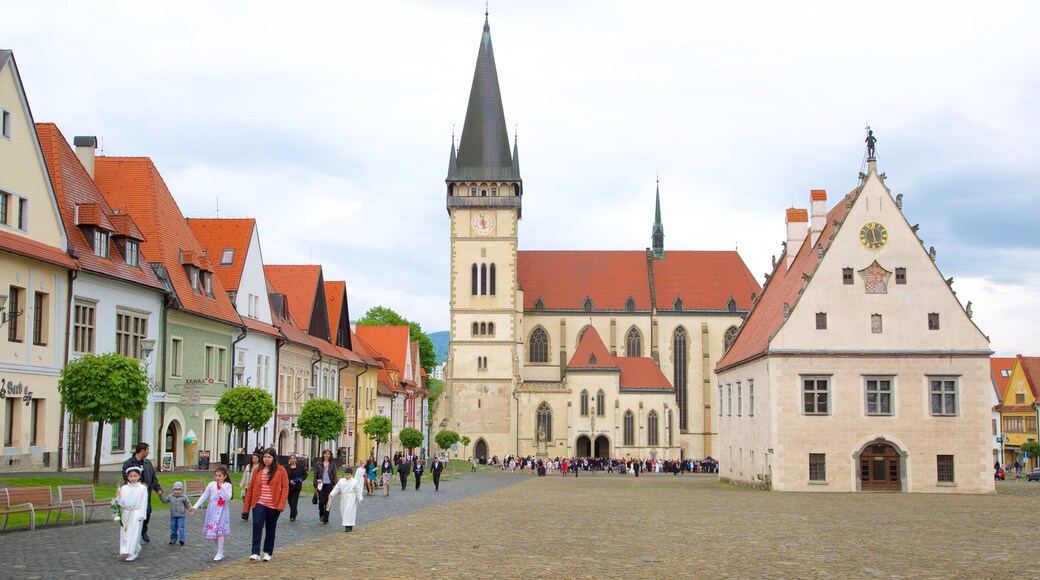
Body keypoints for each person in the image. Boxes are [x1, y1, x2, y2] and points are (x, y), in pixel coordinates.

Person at [242, 447, 288, 562]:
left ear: (274, 458)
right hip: (259, 502)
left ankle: (267, 552)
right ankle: (255, 552)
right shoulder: (257, 470)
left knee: (270, 528)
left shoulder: (280, 470)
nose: (266, 459)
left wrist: (281, 504)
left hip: (273, 504)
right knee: (257, 525)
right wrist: (246, 507)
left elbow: (285, 488)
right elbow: (251, 488)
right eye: (265, 457)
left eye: (269, 457)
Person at [121, 442, 163, 543]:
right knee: (134, 514)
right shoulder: (129, 463)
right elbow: (126, 477)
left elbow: (153, 477)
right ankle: (132, 532)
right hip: (133, 494)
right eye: (147, 450)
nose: (149, 452)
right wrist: (139, 484)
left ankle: (143, 530)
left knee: (147, 511)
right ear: (142, 451)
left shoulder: (147, 463)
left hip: (146, 493)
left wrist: (158, 489)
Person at [191, 467, 232, 561]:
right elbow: (204, 496)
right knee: (213, 530)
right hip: (212, 509)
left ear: (225, 476)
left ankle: (220, 551)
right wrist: (195, 506)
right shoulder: (211, 485)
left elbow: (227, 497)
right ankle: (219, 550)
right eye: (216, 475)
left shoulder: (228, 485)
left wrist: (222, 487)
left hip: (222, 509)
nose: (217, 478)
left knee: (220, 531)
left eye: (220, 476)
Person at [116, 466, 148, 561]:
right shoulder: (124, 488)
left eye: (135, 475)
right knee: (126, 532)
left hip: (136, 513)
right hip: (127, 513)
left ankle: (133, 552)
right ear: (127, 477)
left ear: (139, 476)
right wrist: (118, 498)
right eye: (131, 476)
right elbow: (121, 502)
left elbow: (144, 502)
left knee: (134, 533)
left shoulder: (142, 488)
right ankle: (126, 548)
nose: (133, 478)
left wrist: (141, 514)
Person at [328, 466, 363, 532]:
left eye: (348, 474)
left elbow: (358, 490)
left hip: (351, 497)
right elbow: (336, 488)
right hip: (344, 497)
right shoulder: (341, 481)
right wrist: (331, 494)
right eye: (346, 474)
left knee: (349, 511)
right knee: (344, 511)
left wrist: (360, 498)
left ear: (351, 475)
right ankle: (347, 524)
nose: (347, 476)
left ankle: (349, 526)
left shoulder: (354, 482)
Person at [160, 481, 192, 545]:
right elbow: (165, 501)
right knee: (173, 528)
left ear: (181, 490)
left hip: (181, 515)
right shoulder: (171, 496)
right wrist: (161, 496)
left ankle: (182, 539)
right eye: (176, 489)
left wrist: (190, 509)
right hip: (173, 515)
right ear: (173, 489)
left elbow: (188, 504)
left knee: (181, 527)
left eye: (179, 489)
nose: (177, 491)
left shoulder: (184, 497)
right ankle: (173, 539)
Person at [313, 449, 338, 524]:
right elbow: (315, 474)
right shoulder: (318, 464)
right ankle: (321, 513)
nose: (327, 455)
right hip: (321, 484)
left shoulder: (332, 464)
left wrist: (335, 485)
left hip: (329, 484)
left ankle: (326, 518)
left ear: (330, 455)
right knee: (321, 501)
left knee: (328, 501)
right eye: (326, 453)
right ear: (323, 454)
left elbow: (334, 475)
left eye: (328, 454)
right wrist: (315, 484)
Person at [284, 454, 306, 522]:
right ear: (289, 459)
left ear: (296, 459)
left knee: (294, 500)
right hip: (289, 485)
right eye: (291, 458)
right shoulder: (286, 467)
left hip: (297, 486)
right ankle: (294, 511)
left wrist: (301, 479)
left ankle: (292, 516)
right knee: (290, 500)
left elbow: (305, 474)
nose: (292, 460)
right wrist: (289, 481)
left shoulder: (300, 466)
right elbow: (284, 476)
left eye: (294, 458)